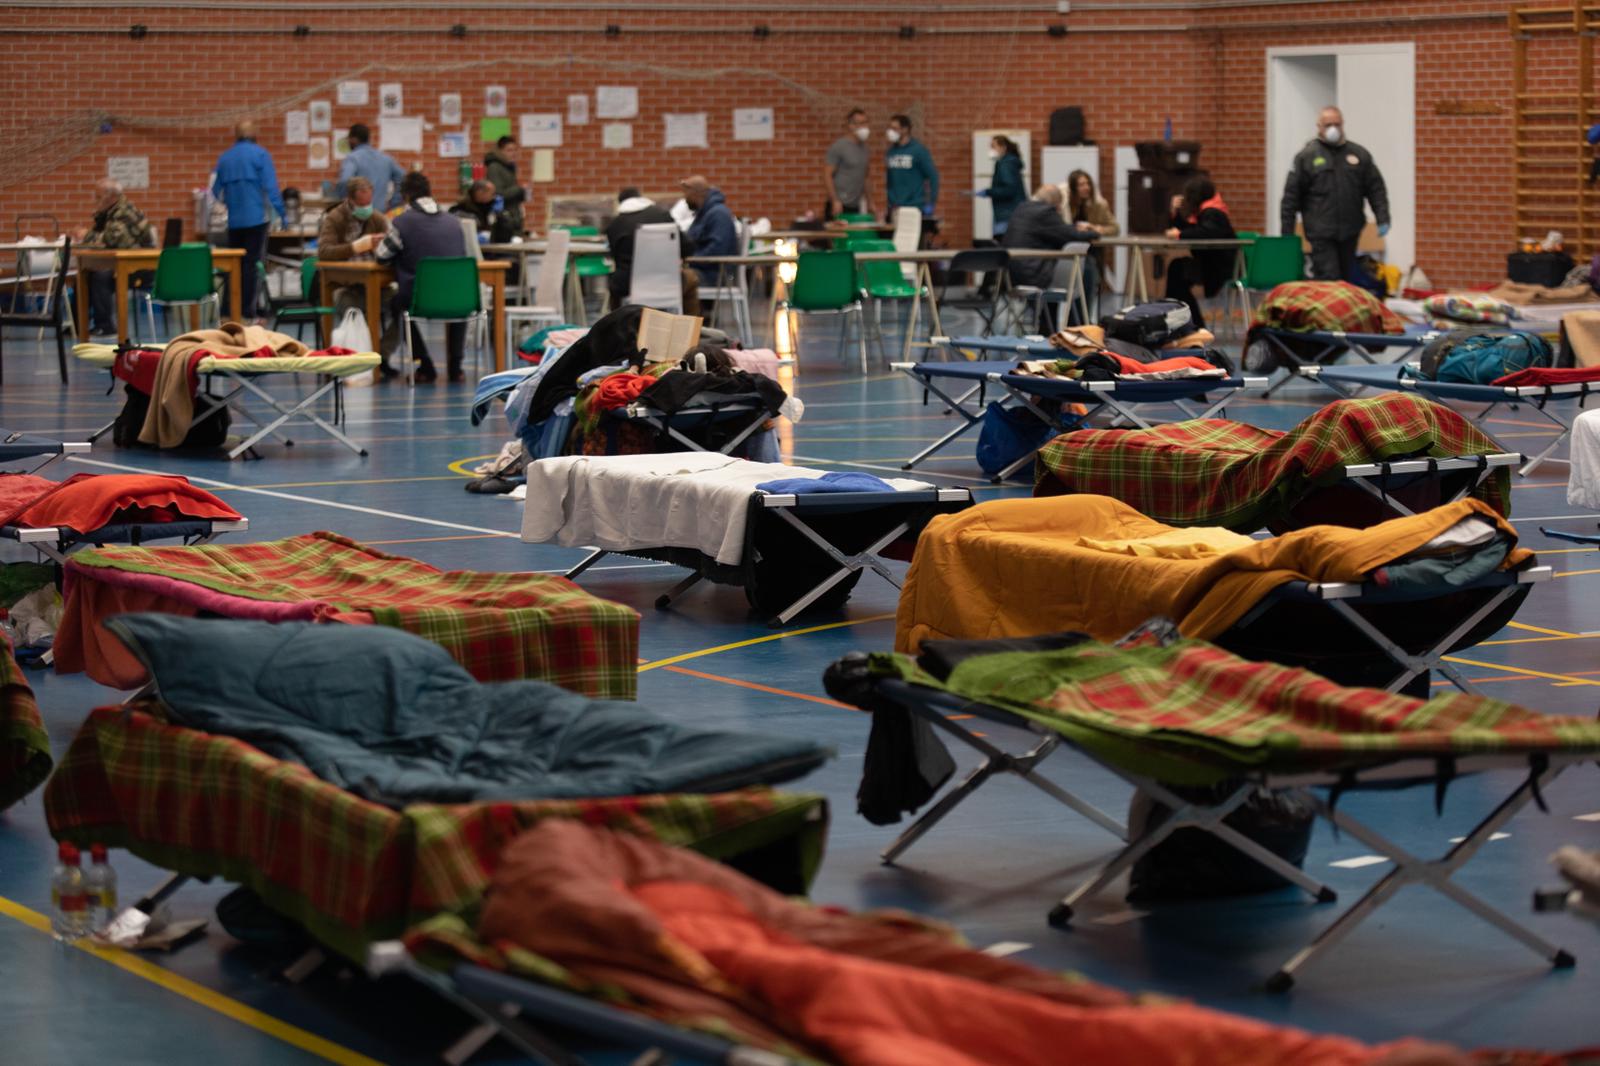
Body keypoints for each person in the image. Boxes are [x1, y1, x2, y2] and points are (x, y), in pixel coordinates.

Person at [374, 172, 471, 384]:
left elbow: (381, 257)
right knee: (457, 303)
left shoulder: (401, 222)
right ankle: (456, 368)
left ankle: (425, 365)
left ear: (406, 196)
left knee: (398, 304)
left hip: (421, 297)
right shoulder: (454, 222)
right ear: (429, 192)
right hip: (460, 298)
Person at [1280, 105, 1390, 282]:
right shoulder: (1306, 157)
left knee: (1346, 279)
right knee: (1329, 277)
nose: (1333, 129)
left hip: (1350, 230)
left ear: (1343, 125)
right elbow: (1290, 198)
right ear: (1319, 126)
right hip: (1320, 232)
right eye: (1328, 124)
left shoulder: (1359, 155)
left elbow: (1375, 188)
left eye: (1337, 124)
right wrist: (1287, 232)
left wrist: (1383, 217)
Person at [212, 120, 286, 322]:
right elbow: (271, 188)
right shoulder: (261, 154)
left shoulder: (225, 158)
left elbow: (215, 191)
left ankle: (227, 312)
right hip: (256, 219)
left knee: (233, 266)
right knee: (251, 267)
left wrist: (231, 201)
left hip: (234, 222)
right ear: (255, 135)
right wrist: (283, 215)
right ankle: (247, 312)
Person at [1001, 185, 1100, 331]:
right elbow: (1072, 236)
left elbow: (1056, 232)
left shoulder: (1022, 208)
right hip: (1035, 275)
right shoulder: (1045, 212)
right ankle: (1078, 324)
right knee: (1085, 267)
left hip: (1012, 276)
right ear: (1056, 202)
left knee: (1059, 271)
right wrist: (1093, 232)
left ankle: (1049, 326)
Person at [74, 178, 155, 337]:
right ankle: (78, 326)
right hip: (122, 265)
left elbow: (115, 241)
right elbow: (103, 236)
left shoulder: (124, 212)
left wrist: (86, 235)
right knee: (85, 274)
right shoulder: (109, 212)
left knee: (101, 276)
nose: (95, 201)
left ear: (110, 197)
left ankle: (105, 325)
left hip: (139, 268)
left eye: (98, 197)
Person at [1164, 176, 1236, 329]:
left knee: (1177, 272)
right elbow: (1190, 229)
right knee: (1176, 270)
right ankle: (1185, 322)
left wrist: (1179, 234)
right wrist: (1175, 213)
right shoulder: (1207, 212)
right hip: (1208, 265)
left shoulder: (1213, 213)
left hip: (1219, 269)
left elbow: (1203, 232)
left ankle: (1193, 325)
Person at [604, 187, 679, 310]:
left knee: (614, 280)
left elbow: (614, 256)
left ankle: (617, 323)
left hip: (630, 283)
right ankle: (690, 323)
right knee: (690, 280)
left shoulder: (616, 224)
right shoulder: (663, 215)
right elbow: (686, 246)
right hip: (667, 281)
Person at [1062, 169, 1119, 320]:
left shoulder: (1099, 204)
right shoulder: (1066, 204)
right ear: (1073, 188)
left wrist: (1094, 227)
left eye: (1087, 183)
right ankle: (1073, 323)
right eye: (1081, 184)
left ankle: (1082, 322)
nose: (1086, 187)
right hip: (1069, 253)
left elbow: (1115, 228)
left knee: (1088, 282)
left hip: (1092, 253)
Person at [681, 175, 738, 289]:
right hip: (704, 271)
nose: (685, 198)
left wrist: (689, 261)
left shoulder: (718, 214)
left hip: (713, 275)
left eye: (686, 194)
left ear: (695, 193)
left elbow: (717, 250)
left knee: (674, 280)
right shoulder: (706, 214)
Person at [336, 124, 406, 211]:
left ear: (353, 139)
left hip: (358, 213)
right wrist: (394, 203)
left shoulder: (353, 158)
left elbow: (344, 181)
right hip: (380, 213)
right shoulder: (385, 158)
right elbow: (403, 178)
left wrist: (344, 202)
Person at [884, 114, 939, 220]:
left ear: (905, 129)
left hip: (914, 206)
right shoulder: (890, 152)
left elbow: (933, 177)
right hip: (894, 207)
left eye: (894, 128)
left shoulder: (918, 150)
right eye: (890, 128)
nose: (891, 132)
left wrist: (931, 203)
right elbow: (890, 180)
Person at [825, 108, 873, 219]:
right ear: (851, 125)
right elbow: (827, 175)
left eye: (866, 123)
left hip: (855, 204)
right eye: (861, 123)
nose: (864, 127)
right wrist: (835, 200)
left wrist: (870, 201)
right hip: (840, 203)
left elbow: (866, 177)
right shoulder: (839, 146)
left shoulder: (865, 149)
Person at [976, 135, 1025, 237]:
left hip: (1007, 214)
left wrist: (989, 192)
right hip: (1014, 213)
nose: (991, 150)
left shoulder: (1005, 164)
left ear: (1003, 147)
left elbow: (1009, 190)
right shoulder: (1010, 162)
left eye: (993, 146)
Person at [484, 136, 527, 237]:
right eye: (509, 150)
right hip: (504, 220)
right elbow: (498, 193)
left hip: (513, 217)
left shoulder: (509, 167)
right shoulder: (494, 167)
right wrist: (519, 190)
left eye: (515, 150)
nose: (513, 153)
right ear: (500, 151)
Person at [450, 179, 516, 244]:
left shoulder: (490, 207)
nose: (494, 197)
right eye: (492, 194)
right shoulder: (461, 210)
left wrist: (501, 215)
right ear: (479, 193)